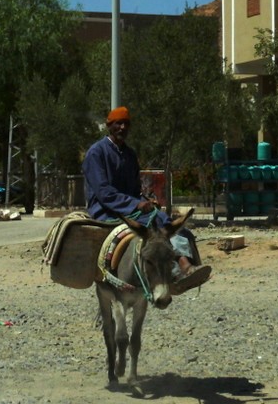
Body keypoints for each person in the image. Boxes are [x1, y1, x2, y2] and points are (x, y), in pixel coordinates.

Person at [82, 106, 211, 293]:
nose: (122, 127)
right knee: (161, 225)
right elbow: (104, 193)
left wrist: (145, 200)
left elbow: (134, 190)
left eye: (126, 124)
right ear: (109, 126)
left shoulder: (129, 154)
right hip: (106, 210)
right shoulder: (96, 153)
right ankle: (181, 267)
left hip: (130, 208)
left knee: (177, 227)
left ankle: (188, 270)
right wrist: (136, 204)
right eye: (118, 123)